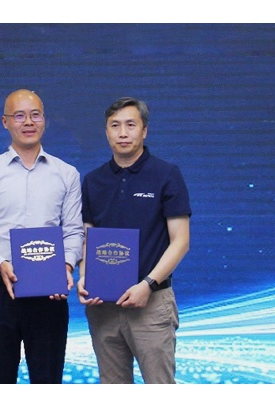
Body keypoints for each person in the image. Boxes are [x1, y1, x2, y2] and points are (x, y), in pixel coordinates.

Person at [0, 89, 83, 384]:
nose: (28, 122)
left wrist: (65, 266)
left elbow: (74, 231)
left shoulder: (67, 174)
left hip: (49, 293)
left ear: (44, 120)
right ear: (5, 122)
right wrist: (0, 263)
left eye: (35, 115)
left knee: (48, 381)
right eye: (19, 116)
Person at [77, 97, 191, 384]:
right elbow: (87, 237)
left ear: (144, 130)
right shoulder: (93, 181)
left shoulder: (166, 175)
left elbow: (180, 241)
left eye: (131, 125)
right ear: (106, 132)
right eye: (115, 126)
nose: (123, 133)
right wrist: (85, 278)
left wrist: (147, 285)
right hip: (103, 305)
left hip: (151, 302)